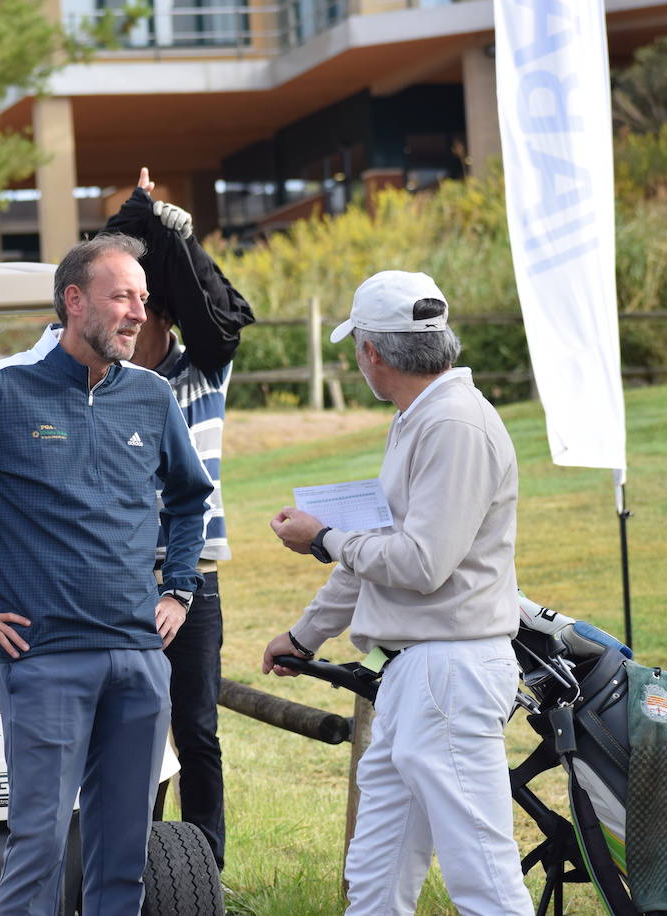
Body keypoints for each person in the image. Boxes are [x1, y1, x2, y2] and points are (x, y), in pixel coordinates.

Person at [0, 234, 214, 915]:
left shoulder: (151, 397)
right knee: (38, 849)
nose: (137, 314)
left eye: (143, 300)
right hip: (45, 658)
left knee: (124, 855)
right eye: (122, 297)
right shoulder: (3, 392)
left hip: (138, 659)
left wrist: (178, 588)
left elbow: (190, 497)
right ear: (74, 300)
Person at [260, 271, 534, 916]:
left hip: (449, 671)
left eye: (356, 348)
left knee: (484, 876)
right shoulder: (422, 418)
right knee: (376, 871)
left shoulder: (453, 426)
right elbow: (374, 556)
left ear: (372, 353)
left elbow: (420, 564)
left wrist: (324, 536)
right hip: (421, 675)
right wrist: (304, 635)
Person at [103, 166, 254, 872]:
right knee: (126, 728)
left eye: (143, 312)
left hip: (194, 579)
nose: (129, 326)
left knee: (196, 730)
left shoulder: (203, 375)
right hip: (119, 580)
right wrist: (135, 216)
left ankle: (203, 870)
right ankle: (128, 863)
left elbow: (215, 308)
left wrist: (168, 229)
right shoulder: (104, 388)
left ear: (166, 316)